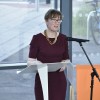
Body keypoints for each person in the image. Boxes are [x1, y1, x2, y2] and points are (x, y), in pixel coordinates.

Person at [27, 9, 70, 100]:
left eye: (59, 20)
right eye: (53, 19)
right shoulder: (37, 38)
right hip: (42, 79)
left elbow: (66, 59)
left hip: (59, 80)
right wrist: (38, 63)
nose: (57, 22)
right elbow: (30, 61)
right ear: (46, 20)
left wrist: (64, 64)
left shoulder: (63, 38)